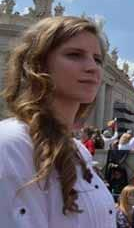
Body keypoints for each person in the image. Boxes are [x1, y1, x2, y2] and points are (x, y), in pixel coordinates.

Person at [0, 16, 116, 227]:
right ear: (38, 64)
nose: (93, 67)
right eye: (74, 55)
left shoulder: (79, 149)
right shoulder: (10, 145)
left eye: (97, 59)